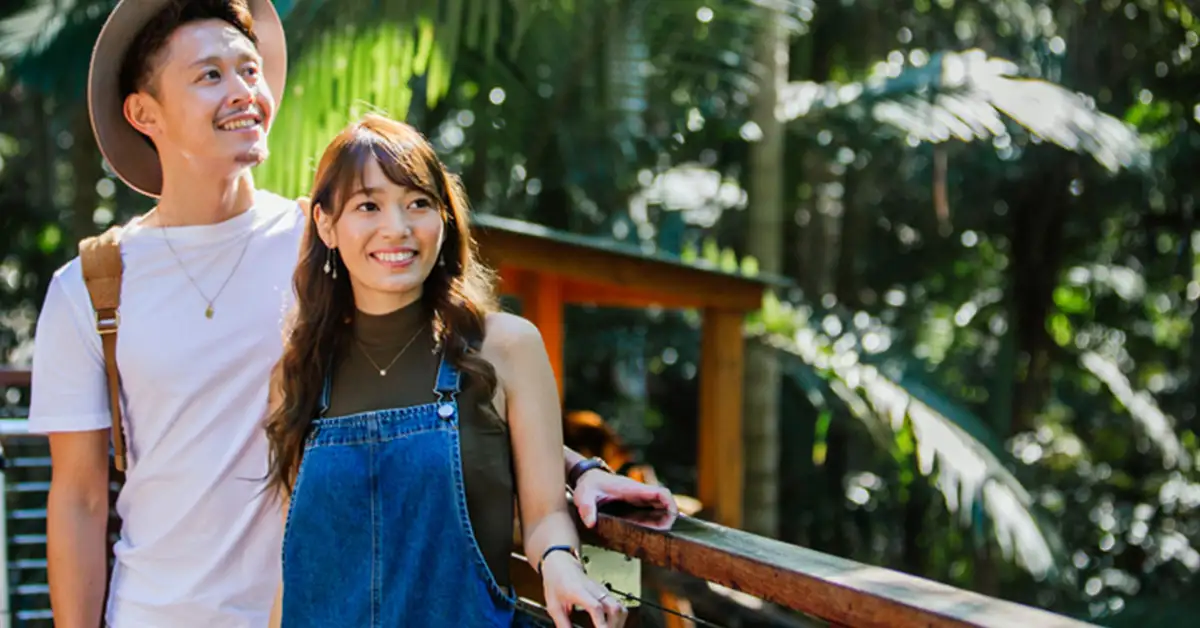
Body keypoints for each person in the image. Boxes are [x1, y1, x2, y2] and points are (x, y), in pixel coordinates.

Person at [27, 1, 674, 626]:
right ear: (144, 112)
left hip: (318, 608)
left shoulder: (333, 243)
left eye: (249, 70)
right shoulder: (91, 285)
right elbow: (80, 498)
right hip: (153, 614)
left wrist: (578, 468)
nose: (243, 91)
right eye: (209, 76)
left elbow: (438, 372)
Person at [263, 113, 625, 628]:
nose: (399, 228)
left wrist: (563, 566)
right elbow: (294, 564)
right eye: (369, 205)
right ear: (326, 224)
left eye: (418, 204)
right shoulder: (300, 374)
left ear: (444, 217)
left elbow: (545, 515)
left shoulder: (507, 347)